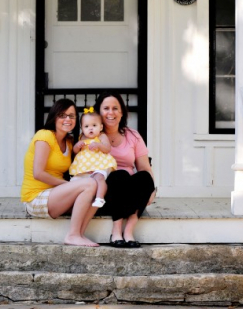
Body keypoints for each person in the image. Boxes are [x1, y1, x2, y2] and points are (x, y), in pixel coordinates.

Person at [21, 99, 99, 247]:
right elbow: (38, 173)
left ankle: (79, 235)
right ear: (54, 117)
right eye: (62, 115)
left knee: (98, 192)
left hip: (55, 194)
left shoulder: (70, 142)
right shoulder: (45, 136)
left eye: (72, 116)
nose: (67, 119)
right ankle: (73, 235)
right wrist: (68, 185)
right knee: (89, 184)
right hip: (35, 197)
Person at [94, 92, 156, 248]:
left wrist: (152, 189)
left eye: (115, 108)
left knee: (144, 178)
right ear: (99, 112)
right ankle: (116, 231)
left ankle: (128, 231)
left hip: (131, 193)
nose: (111, 112)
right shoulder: (91, 136)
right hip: (106, 193)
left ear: (121, 113)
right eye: (106, 108)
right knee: (119, 175)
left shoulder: (133, 136)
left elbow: (144, 168)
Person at [69, 106, 117, 208]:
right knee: (76, 181)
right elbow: (75, 151)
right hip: (85, 166)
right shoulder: (82, 137)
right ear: (82, 128)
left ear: (101, 127)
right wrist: (77, 146)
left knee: (100, 178)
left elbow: (108, 148)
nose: (90, 128)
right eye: (86, 126)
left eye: (94, 125)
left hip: (100, 164)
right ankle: (74, 200)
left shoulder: (101, 136)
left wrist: (99, 145)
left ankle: (100, 198)